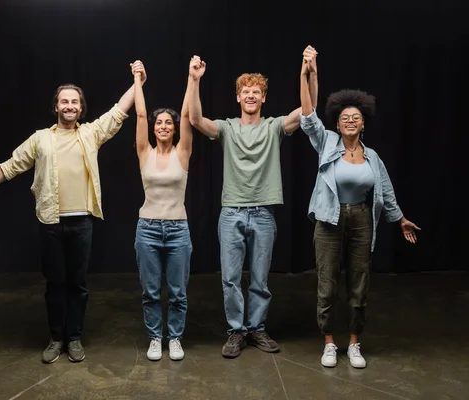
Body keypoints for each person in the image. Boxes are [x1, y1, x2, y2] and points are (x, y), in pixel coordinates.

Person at [0, 61, 147, 364]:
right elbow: (9, 167)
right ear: (56, 106)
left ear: (81, 108)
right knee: (55, 284)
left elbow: (119, 111)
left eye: (75, 102)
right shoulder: (40, 138)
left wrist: (138, 81)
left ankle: (76, 338)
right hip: (50, 222)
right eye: (64, 101)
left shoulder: (92, 133)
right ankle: (57, 338)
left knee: (78, 284)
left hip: (82, 222)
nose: (69, 106)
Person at [299, 45, 421, 369]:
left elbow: (386, 192)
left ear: (363, 124)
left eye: (356, 118)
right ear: (337, 125)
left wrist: (400, 219)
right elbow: (308, 114)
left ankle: (354, 343)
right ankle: (328, 342)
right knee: (327, 283)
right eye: (344, 118)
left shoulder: (373, 158)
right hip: (329, 218)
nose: (350, 121)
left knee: (359, 283)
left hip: (362, 220)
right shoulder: (326, 144)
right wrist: (306, 72)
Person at [188, 55, 318, 358]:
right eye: (245, 91)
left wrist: (308, 73)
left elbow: (308, 110)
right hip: (231, 212)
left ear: (263, 97)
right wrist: (194, 80)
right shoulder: (227, 127)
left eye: (256, 91)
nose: (250, 95)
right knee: (230, 279)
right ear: (238, 97)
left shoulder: (274, 127)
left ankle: (256, 328)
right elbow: (196, 120)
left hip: (263, 213)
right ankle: (237, 330)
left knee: (261, 279)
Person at [131, 59, 194, 361]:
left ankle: (176, 338)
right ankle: (156, 337)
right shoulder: (145, 152)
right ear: (154, 129)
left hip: (178, 230)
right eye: (160, 122)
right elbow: (140, 113)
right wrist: (137, 80)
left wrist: (192, 78)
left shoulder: (183, 152)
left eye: (169, 122)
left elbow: (186, 114)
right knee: (151, 292)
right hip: (148, 230)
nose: (165, 125)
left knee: (178, 292)